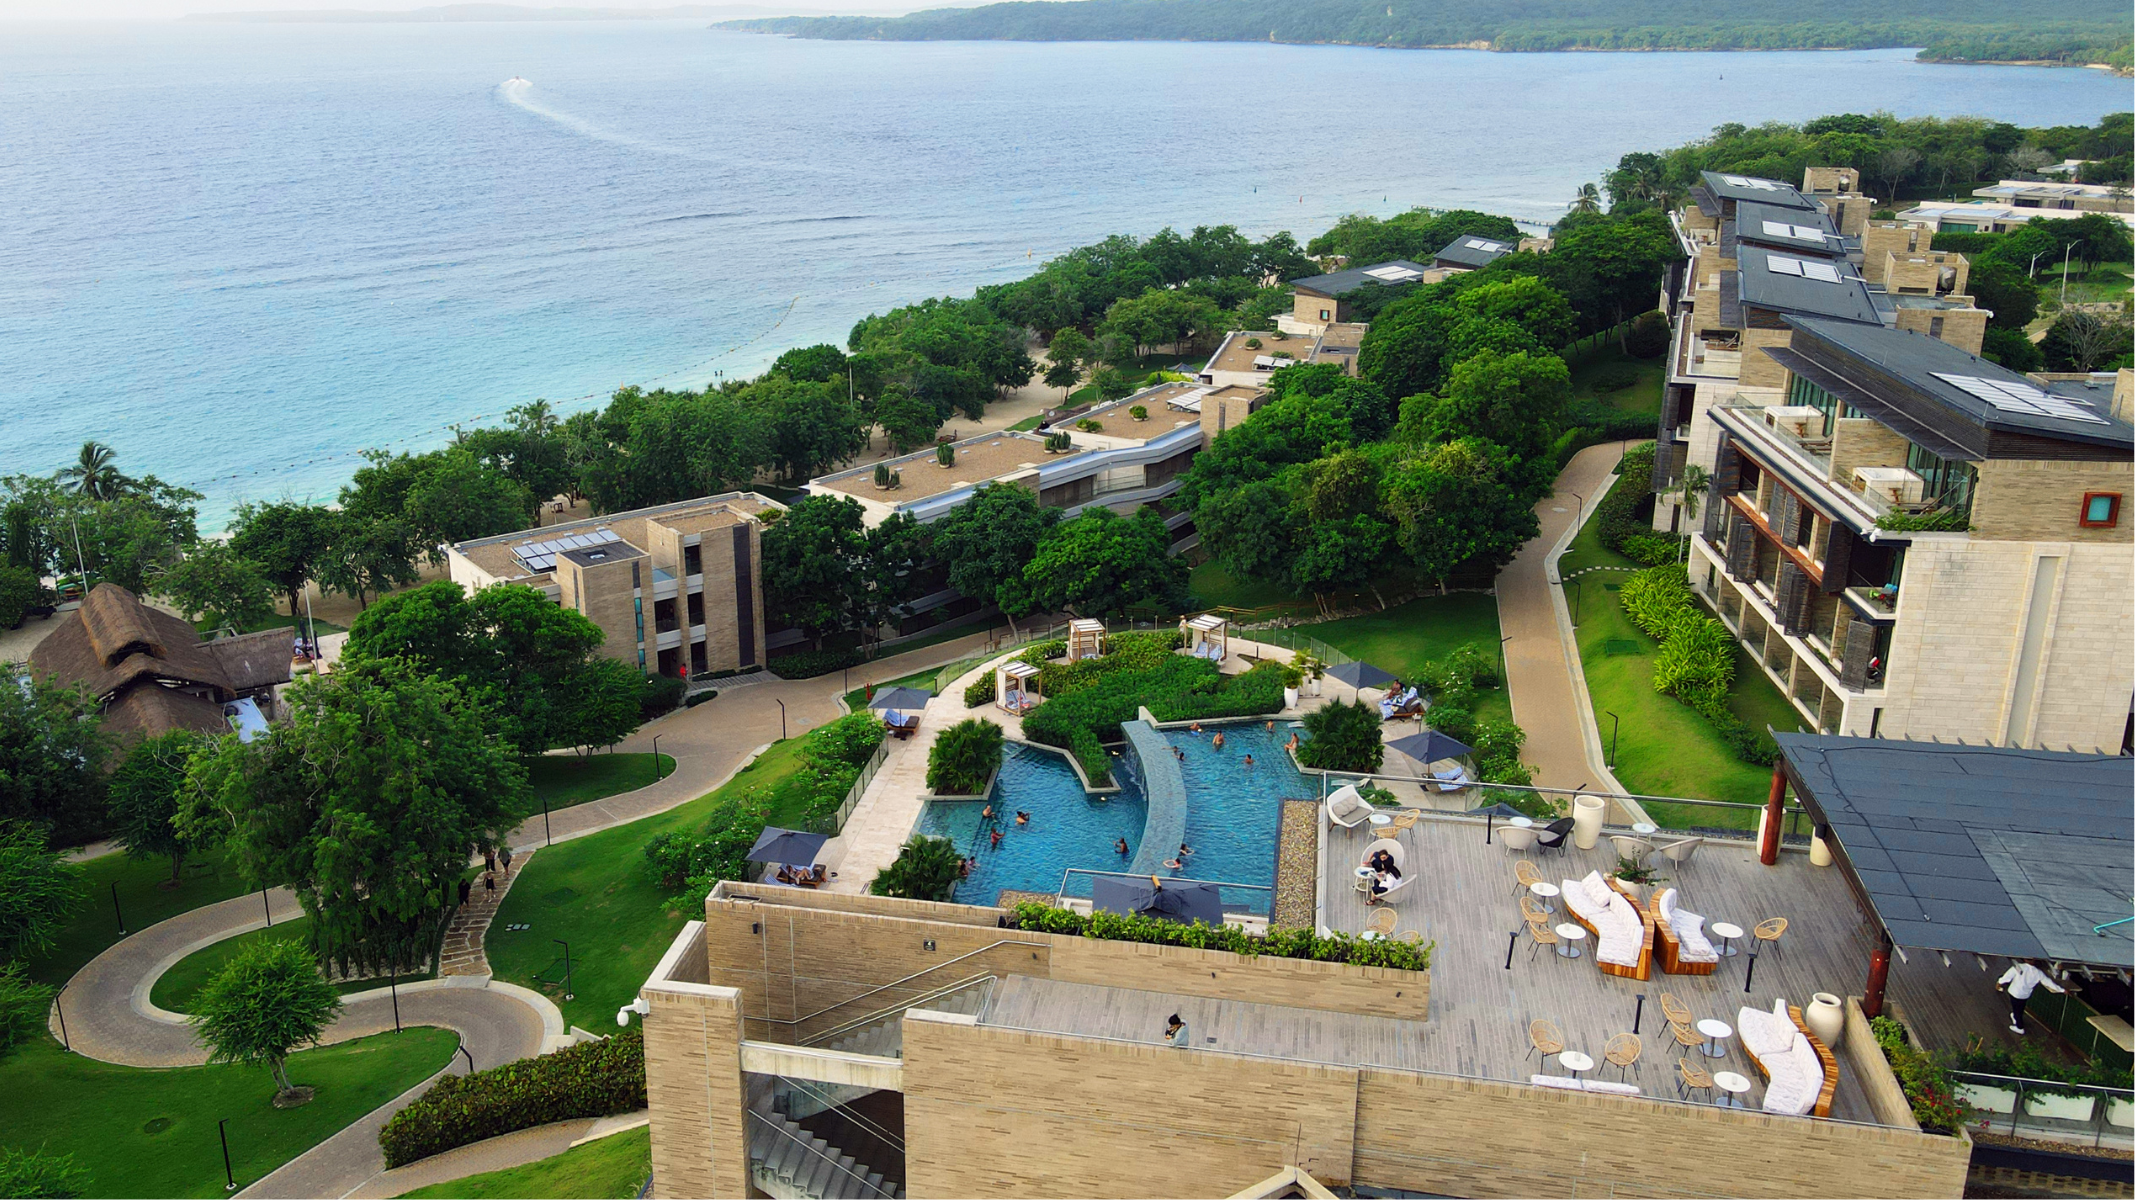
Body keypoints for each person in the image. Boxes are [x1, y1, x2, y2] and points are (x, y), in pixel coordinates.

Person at [1996, 958, 2066, 1035]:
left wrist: (1999, 983)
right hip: (2025, 995)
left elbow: (2007, 977)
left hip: (2015, 992)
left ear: (2025, 959)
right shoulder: (2038, 973)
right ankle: (2015, 1017)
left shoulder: (2018, 967)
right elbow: (2048, 982)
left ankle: (2019, 1027)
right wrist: (2062, 990)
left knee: (2016, 1009)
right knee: (2020, 1008)